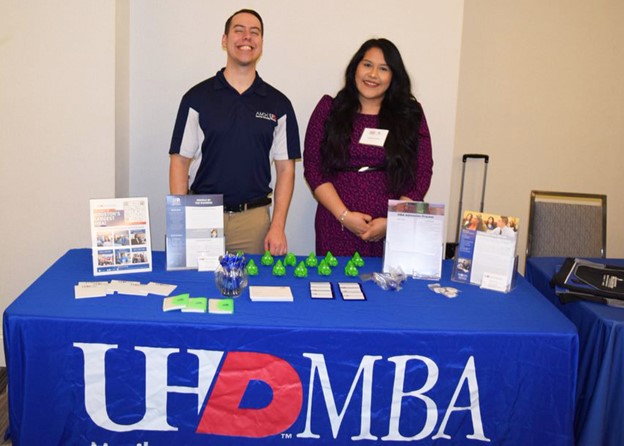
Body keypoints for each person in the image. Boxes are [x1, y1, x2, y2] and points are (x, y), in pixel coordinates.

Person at [169, 9, 300, 255]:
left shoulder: (279, 104)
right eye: (239, 30)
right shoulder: (196, 98)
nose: (247, 38)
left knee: (248, 291)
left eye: (255, 32)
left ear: (261, 42)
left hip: (253, 222)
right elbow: (179, 162)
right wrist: (180, 221)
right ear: (224, 39)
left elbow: (286, 170)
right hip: (201, 214)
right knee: (196, 289)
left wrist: (278, 226)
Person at [303, 38, 433, 257]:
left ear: (393, 77)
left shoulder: (410, 115)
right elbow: (314, 169)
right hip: (337, 225)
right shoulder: (329, 110)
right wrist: (345, 216)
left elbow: (422, 172)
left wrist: (393, 221)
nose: (373, 74)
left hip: (391, 229)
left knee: (389, 289)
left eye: (383, 68)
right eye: (367, 65)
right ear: (355, 68)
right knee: (338, 287)